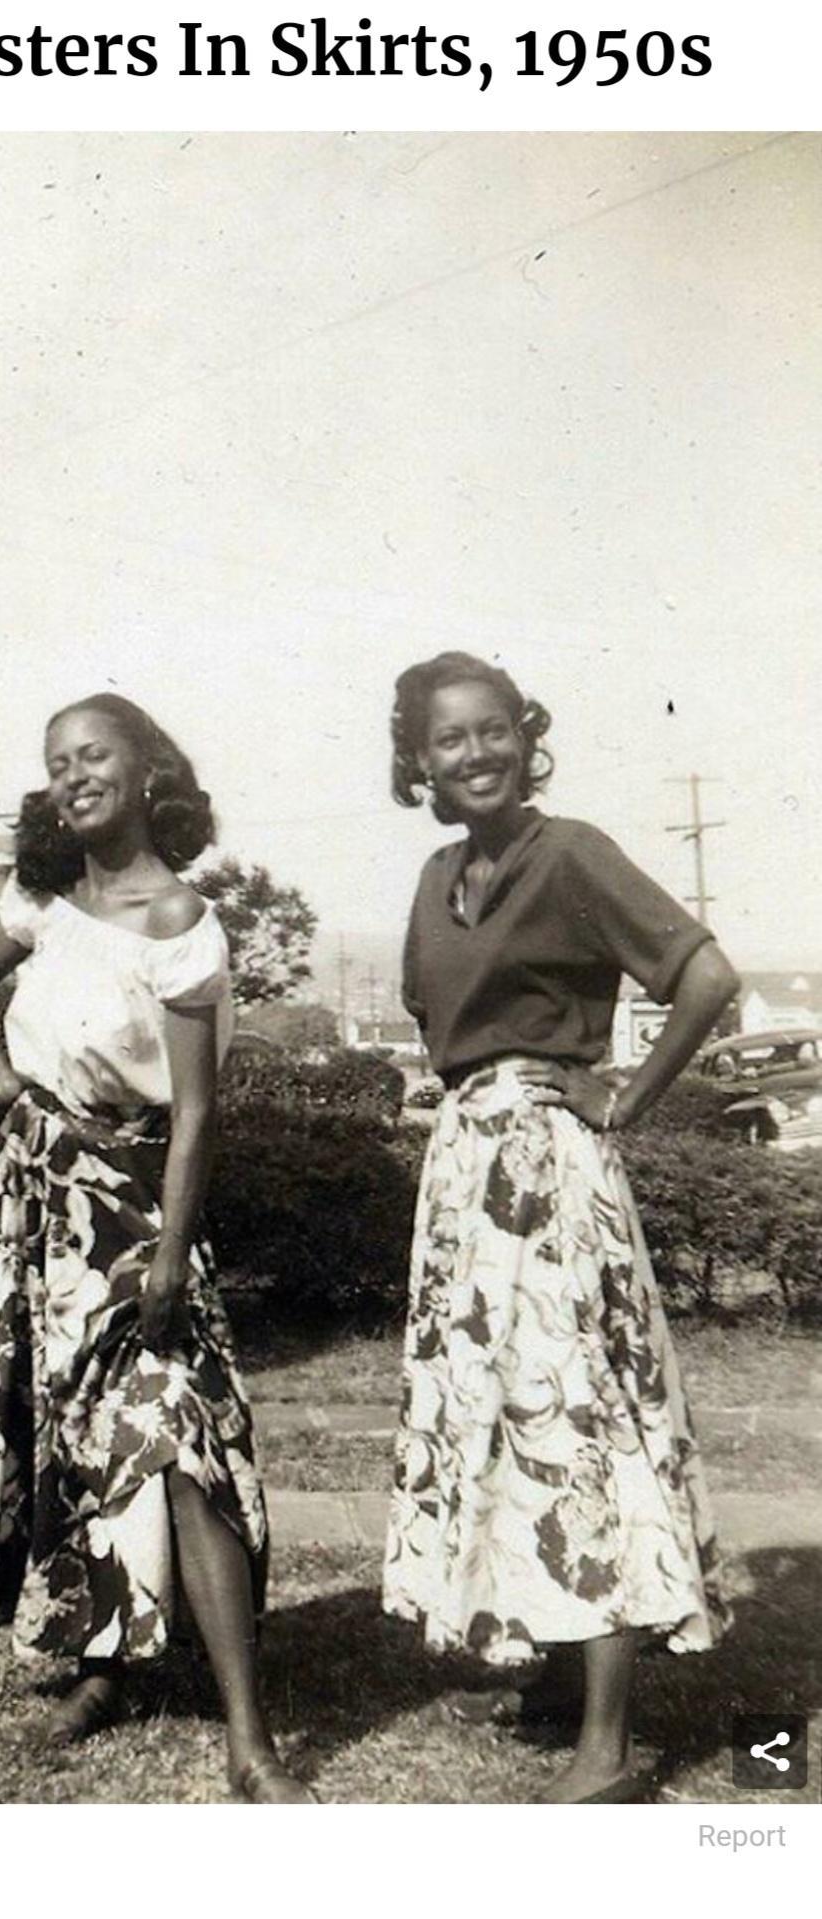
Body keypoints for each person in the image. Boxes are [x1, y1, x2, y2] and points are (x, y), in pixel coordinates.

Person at [0, 692, 313, 1804]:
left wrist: (173, 1252)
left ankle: (248, 1738)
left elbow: (195, 1112)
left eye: (94, 755)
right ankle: (103, 1667)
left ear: (148, 773)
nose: (73, 774)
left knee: (177, 1439)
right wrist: (7, 1091)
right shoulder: (40, 895)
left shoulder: (182, 920)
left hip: (140, 1211)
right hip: (37, 1209)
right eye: (57, 762)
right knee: (69, 1439)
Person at [382, 651, 738, 1804]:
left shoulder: (572, 851)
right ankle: (545, 1662)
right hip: (464, 1177)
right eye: (450, 738)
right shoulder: (438, 876)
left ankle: (611, 1742)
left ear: (524, 737)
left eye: (494, 730)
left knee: (581, 1419)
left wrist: (623, 1096)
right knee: (491, 1420)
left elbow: (708, 975)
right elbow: (441, 1025)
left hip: (551, 1170)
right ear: (419, 761)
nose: (475, 753)